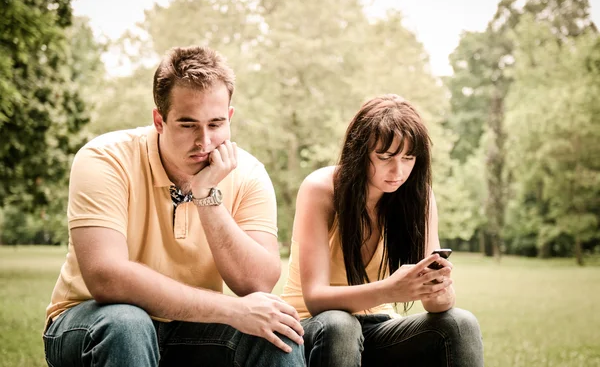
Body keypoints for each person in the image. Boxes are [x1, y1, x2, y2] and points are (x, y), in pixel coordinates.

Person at [43, 45, 305, 367]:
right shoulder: (104, 158)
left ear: (230, 117)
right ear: (159, 119)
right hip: (91, 322)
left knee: (276, 330)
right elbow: (106, 277)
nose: (204, 142)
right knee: (128, 322)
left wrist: (207, 194)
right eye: (187, 124)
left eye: (215, 124)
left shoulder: (249, 174)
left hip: (190, 327)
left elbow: (257, 283)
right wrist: (231, 310)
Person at [281, 94, 484, 367]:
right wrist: (390, 289)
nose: (397, 171)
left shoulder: (419, 197)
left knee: (461, 323)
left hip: (379, 328)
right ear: (359, 152)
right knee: (342, 325)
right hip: (313, 327)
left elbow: (434, 307)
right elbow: (316, 299)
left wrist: (440, 290)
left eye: (408, 158)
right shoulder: (322, 189)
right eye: (385, 156)